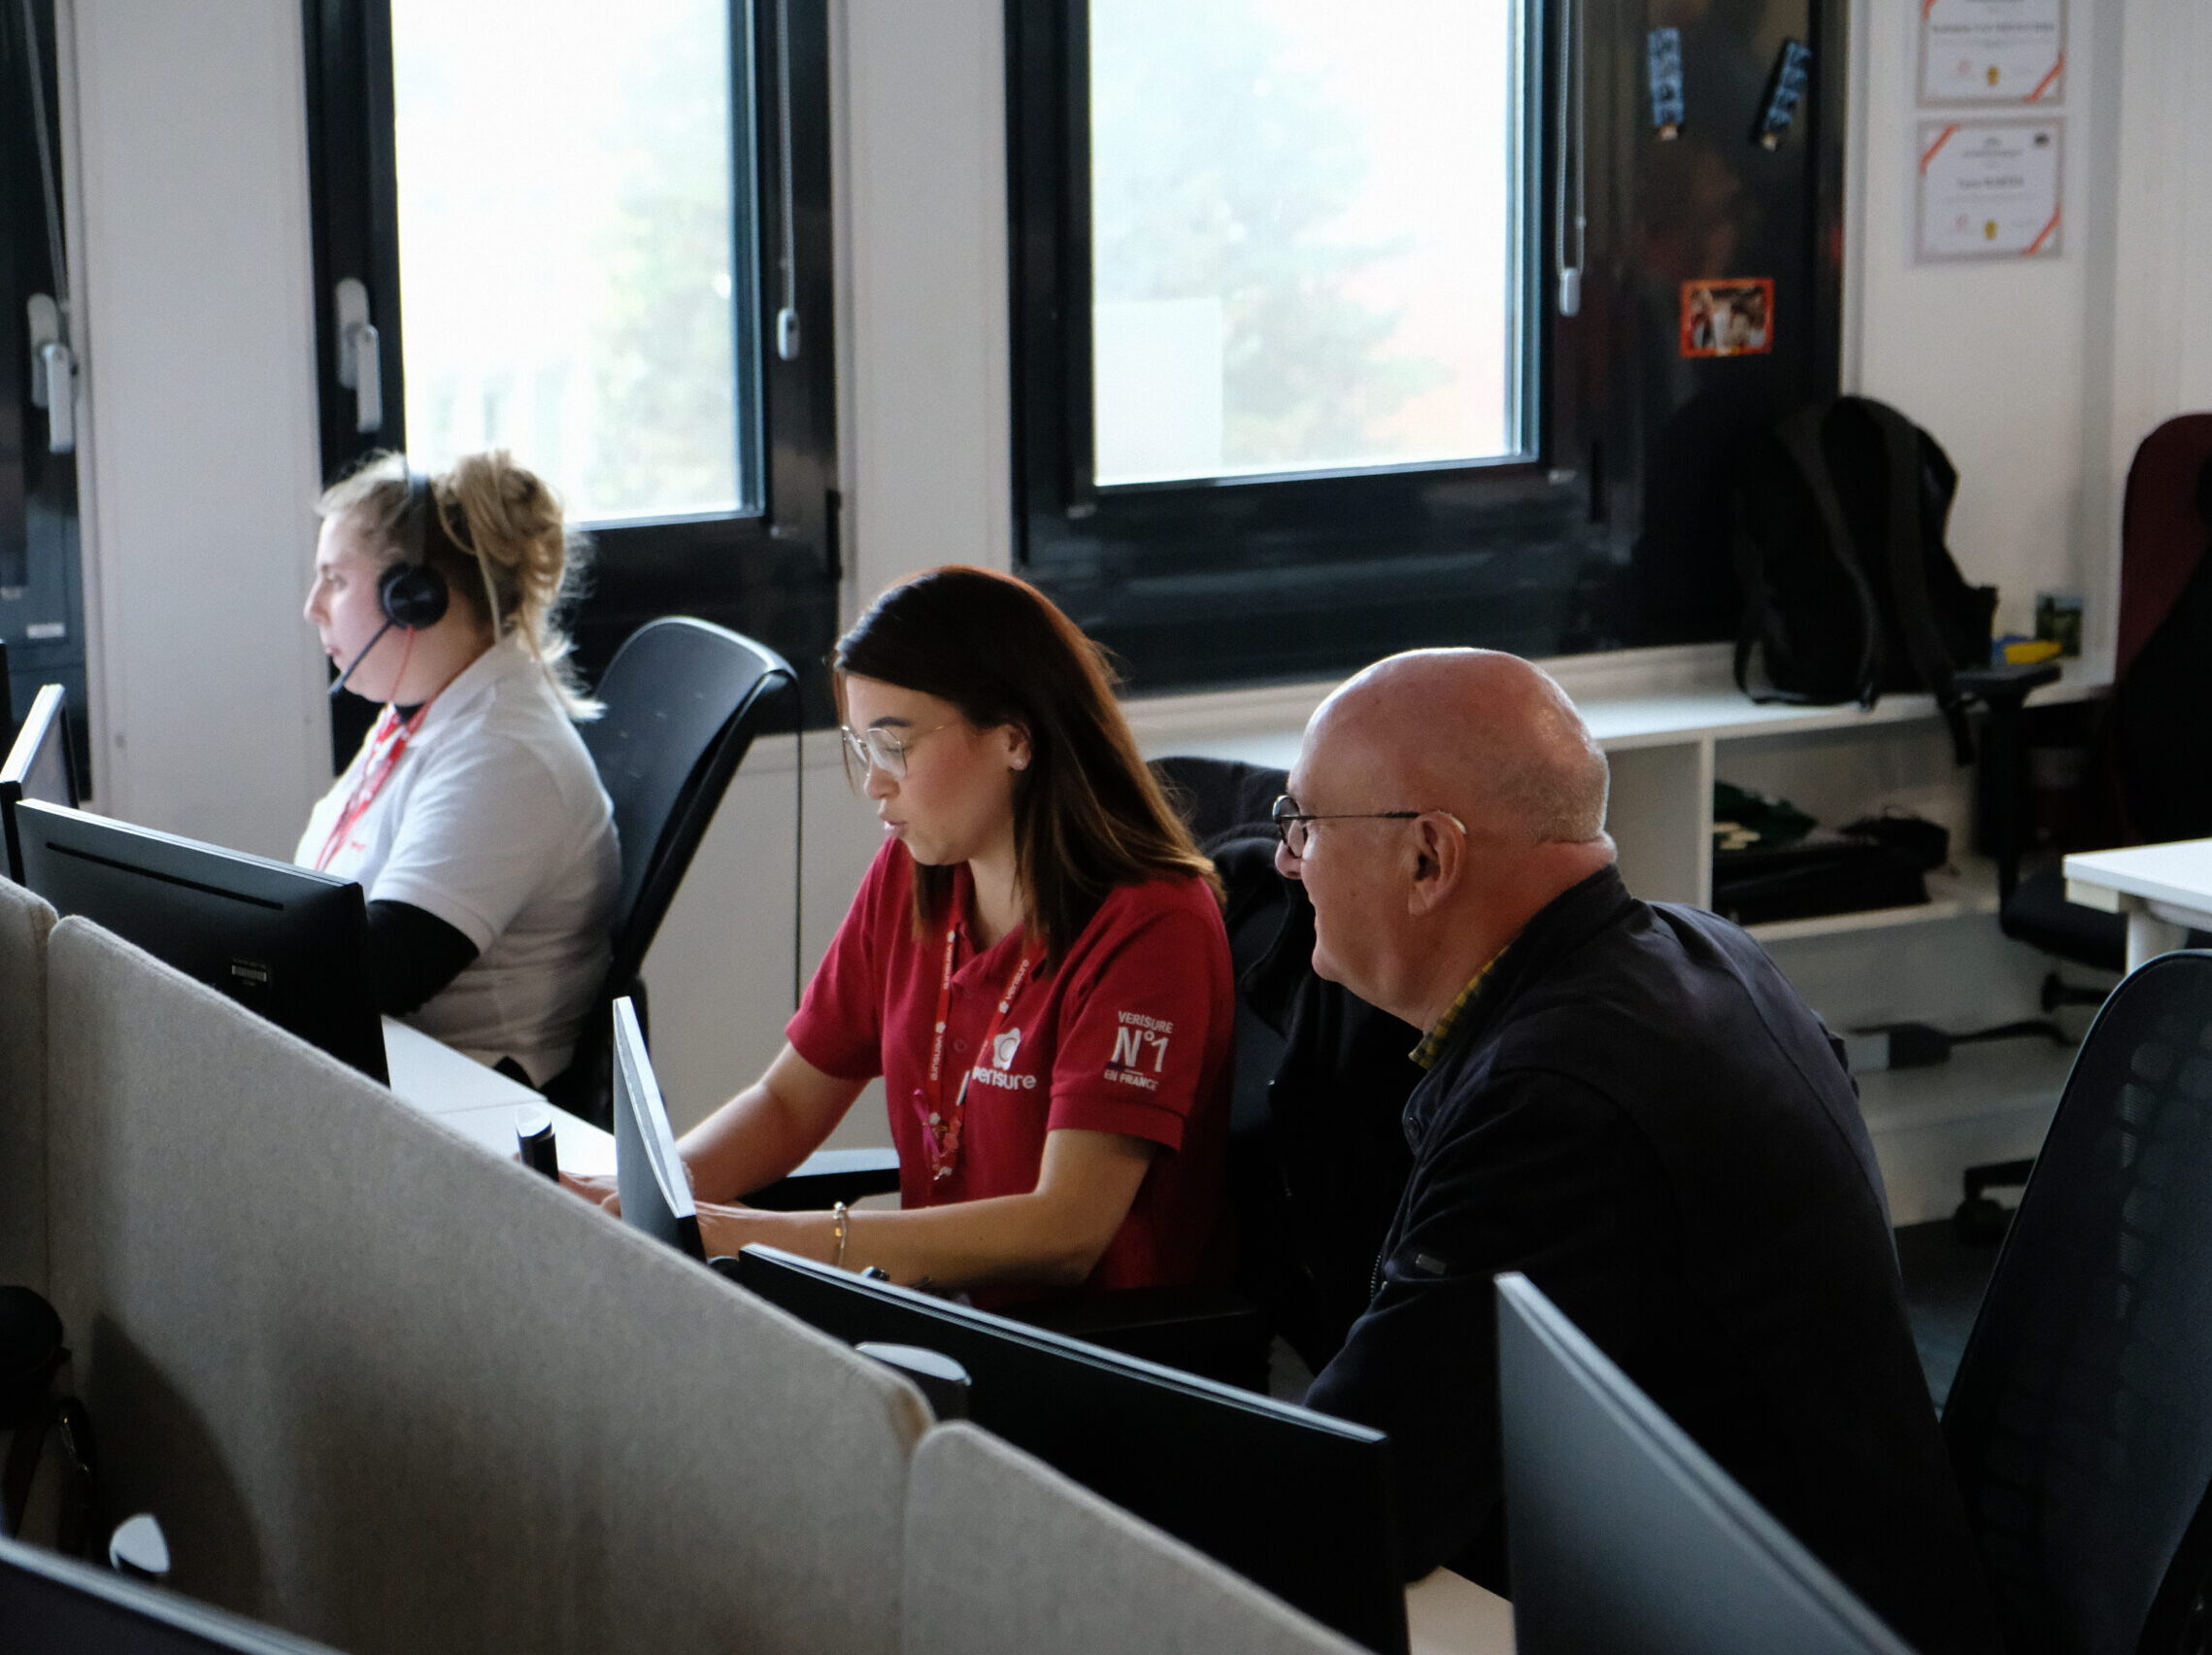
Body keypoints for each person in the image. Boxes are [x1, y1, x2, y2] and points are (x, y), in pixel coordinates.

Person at [1276, 648, 1998, 1655]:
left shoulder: (1555, 1104)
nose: (1285, 858)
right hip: (1822, 1579)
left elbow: (1368, 1489)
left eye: (1303, 822)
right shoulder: (1702, 952)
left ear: (1428, 858)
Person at [580, 566, 1233, 1301]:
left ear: (1015, 739)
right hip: (944, 1315)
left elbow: (1065, 1235)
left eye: (894, 746)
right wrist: (645, 1198)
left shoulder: (1152, 925)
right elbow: (789, 1103)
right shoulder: (915, 872)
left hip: (1090, 1360)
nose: (873, 785)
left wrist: (750, 1234)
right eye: (862, 749)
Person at [296, 451, 618, 1088]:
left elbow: (384, 968)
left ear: (412, 598)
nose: (313, 608)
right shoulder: (421, 712)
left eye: (335, 579)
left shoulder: (502, 755)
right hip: (398, 1070)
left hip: (471, 1104)